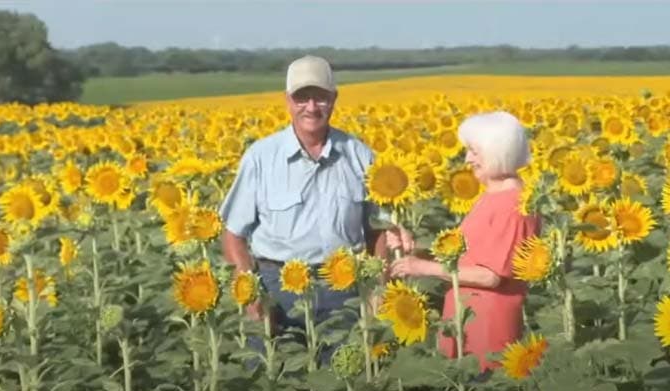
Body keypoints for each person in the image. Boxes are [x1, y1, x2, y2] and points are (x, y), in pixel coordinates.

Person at [218, 55, 386, 364]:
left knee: (344, 376)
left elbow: (378, 230)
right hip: (275, 288)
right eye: (301, 97)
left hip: (343, 290)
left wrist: (379, 288)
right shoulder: (261, 157)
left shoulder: (359, 155)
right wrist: (249, 292)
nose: (311, 106)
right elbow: (233, 235)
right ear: (287, 101)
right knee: (272, 376)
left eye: (320, 97)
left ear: (334, 99)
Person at [386, 111, 540, 371]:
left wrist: (423, 268)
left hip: (488, 322)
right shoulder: (493, 196)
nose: (468, 159)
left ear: (497, 151)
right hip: (468, 315)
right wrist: (418, 253)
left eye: (475, 152)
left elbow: (490, 275)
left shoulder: (513, 204)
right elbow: (470, 254)